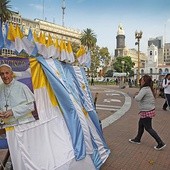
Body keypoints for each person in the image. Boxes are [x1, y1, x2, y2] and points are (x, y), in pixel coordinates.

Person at [129, 74, 166, 151]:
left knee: (148, 128)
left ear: (145, 81)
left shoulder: (145, 89)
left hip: (146, 110)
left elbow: (138, 99)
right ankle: (137, 139)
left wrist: (135, 96)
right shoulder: (149, 88)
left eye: (142, 80)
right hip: (148, 110)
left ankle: (160, 142)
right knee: (141, 124)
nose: (140, 81)